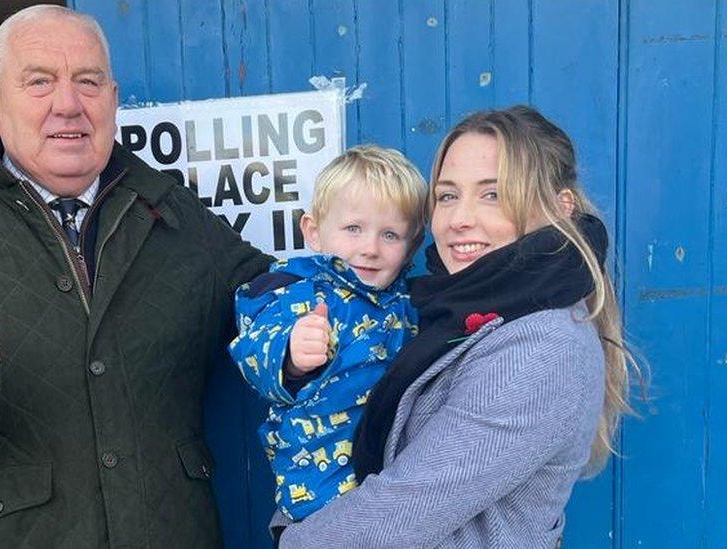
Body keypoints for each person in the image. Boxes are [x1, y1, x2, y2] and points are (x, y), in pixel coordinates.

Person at [0, 5, 270, 547]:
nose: (68, 104)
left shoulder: (176, 213)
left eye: (88, 82)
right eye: (40, 81)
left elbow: (272, 302)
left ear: (112, 98)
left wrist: (362, 275)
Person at [274, 106, 640, 548]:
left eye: (493, 195)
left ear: (560, 208)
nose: (459, 218)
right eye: (448, 196)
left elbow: (409, 504)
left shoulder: (542, 344)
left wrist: (293, 541)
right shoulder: (453, 313)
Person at [229, 146, 426, 521]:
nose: (369, 248)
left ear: (411, 246)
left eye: (390, 235)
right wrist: (290, 355)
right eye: (353, 229)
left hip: (394, 486)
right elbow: (253, 351)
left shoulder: (412, 303)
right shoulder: (297, 292)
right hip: (321, 488)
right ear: (314, 231)